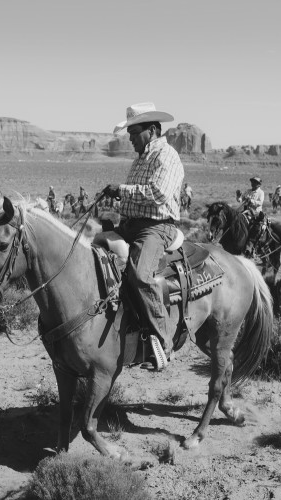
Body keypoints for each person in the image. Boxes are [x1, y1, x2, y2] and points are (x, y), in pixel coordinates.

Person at [103, 103, 183, 371]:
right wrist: (114, 199)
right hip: (132, 225)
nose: (130, 138)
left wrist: (122, 191)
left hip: (156, 228)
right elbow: (135, 197)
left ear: (151, 130)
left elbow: (159, 193)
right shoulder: (140, 158)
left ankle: (163, 342)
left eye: (134, 133)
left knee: (139, 275)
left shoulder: (167, 156)